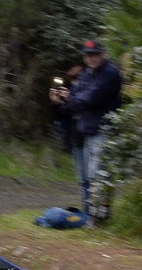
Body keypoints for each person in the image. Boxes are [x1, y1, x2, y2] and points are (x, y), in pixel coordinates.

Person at [49, 39, 123, 220]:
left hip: (104, 129)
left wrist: (69, 99)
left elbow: (89, 98)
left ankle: (99, 215)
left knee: (98, 175)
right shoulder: (88, 73)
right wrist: (65, 97)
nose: (91, 58)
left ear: (103, 54)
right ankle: (92, 215)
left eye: (95, 54)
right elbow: (77, 96)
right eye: (88, 55)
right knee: (88, 177)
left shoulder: (110, 73)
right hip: (86, 130)